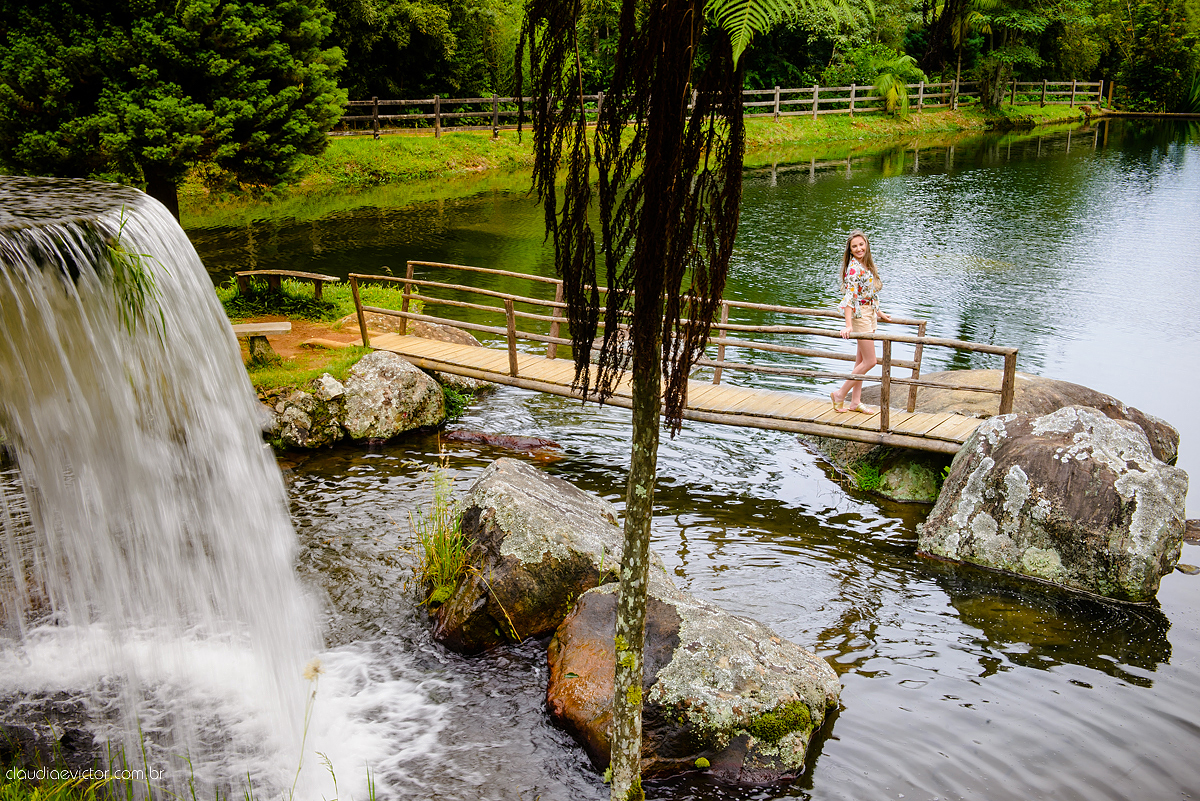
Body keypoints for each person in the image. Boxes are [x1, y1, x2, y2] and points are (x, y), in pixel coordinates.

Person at [830, 230, 892, 413]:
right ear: (850, 250)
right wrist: (848, 325)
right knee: (871, 361)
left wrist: (879, 313)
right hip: (860, 317)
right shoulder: (853, 269)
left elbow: (869, 295)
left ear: (867, 245)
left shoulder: (867, 264)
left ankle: (855, 402)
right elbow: (850, 298)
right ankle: (840, 394)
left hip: (870, 314)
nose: (858, 248)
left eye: (861, 244)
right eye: (854, 246)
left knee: (861, 361)